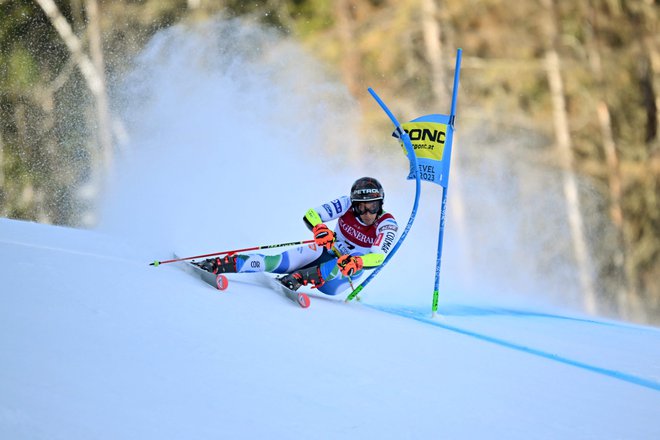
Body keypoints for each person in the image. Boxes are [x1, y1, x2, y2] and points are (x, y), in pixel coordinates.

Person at [195, 177, 398, 295]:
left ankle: (299, 278)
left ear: (381, 204)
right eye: (361, 208)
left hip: (340, 279)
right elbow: (312, 214)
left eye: (373, 206)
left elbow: (378, 257)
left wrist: (357, 261)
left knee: (342, 263)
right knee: (278, 261)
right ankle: (220, 264)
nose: (367, 214)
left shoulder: (387, 224)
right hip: (327, 251)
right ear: (353, 204)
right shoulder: (345, 203)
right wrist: (319, 228)